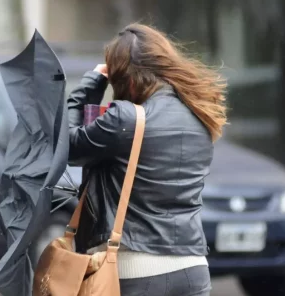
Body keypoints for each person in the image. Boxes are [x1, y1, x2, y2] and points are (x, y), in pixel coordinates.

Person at [67, 23, 227, 296]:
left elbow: (69, 147)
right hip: (193, 269)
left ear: (127, 79)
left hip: (134, 271)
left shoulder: (125, 119)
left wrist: (89, 88)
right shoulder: (201, 116)